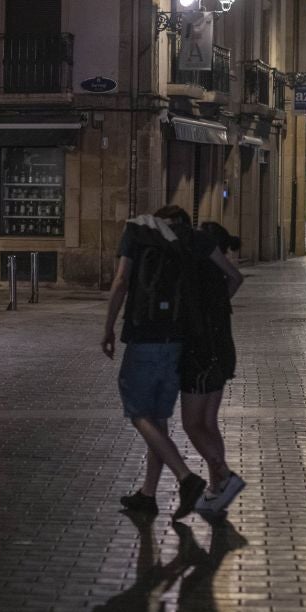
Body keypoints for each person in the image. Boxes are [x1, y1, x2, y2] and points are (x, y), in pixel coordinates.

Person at [101, 206, 207, 520]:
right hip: (176, 340)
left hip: (144, 337)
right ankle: (148, 495)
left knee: (137, 412)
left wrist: (108, 328)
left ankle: (186, 478)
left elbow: (121, 281)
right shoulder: (186, 240)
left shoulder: (136, 234)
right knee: (158, 420)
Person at [179, 221, 246, 517]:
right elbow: (236, 280)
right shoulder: (219, 275)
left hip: (201, 355)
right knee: (208, 422)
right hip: (222, 352)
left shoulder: (198, 270)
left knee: (192, 424)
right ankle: (217, 488)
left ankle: (225, 476)